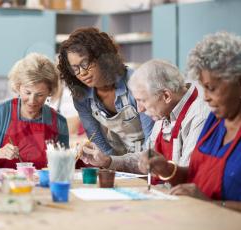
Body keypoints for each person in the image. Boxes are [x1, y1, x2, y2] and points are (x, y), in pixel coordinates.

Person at [138, 32, 241, 211]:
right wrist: (167, 169)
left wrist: (212, 205)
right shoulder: (214, 122)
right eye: (203, 88)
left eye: (211, 88)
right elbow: (195, 175)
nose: (206, 98)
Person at [80, 59, 210, 175]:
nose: (139, 109)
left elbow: (188, 174)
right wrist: (108, 161)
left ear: (166, 96)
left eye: (142, 100)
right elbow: (145, 158)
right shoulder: (165, 112)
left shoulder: (200, 116)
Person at [58, 27, 154, 156]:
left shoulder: (136, 83)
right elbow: (95, 136)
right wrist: (111, 162)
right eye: (75, 68)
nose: (82, 73)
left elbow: (151, 135)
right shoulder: (82, 96)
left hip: (149, 153)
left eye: (85, 63)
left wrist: (144, 163)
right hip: (118, 153)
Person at [0, 53, 69, 169]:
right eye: (27, 93)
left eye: (40, 95)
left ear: (49, 92)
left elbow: (65, 167)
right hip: (6, 185)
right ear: (18, 87)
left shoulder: (58, 122)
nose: (32, 100)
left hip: (43, 186)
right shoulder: (1, 113)